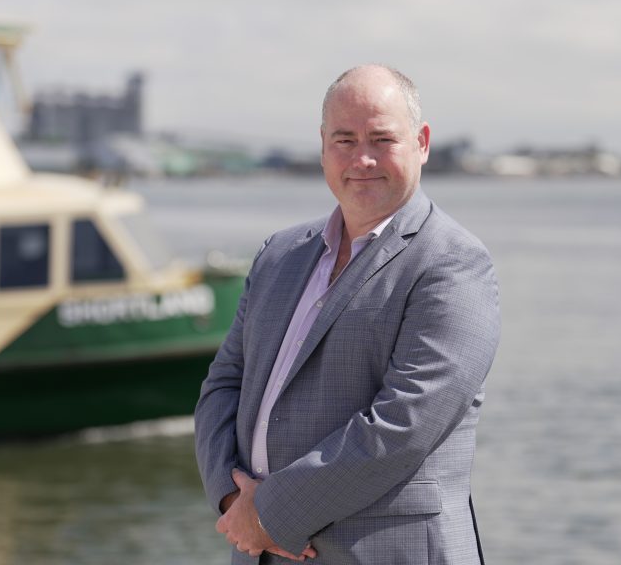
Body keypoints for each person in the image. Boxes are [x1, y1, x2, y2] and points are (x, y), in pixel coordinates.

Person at [194, 64, 501, 564]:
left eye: (382, 139)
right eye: (344, 139)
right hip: (260, 551)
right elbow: (224, 384)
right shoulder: (280, 254)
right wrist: (232, 500)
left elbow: (405, 424)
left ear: (421, 142)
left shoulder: (453, 263)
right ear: (322, 147)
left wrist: (268, 514)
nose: (362, 158)